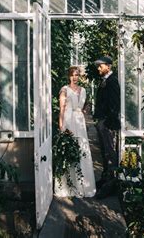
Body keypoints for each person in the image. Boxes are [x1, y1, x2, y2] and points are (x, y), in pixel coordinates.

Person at [54, 66, 96, 197]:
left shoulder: (83, 90)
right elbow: (61, 109)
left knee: (82, 150)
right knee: (68, 150)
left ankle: (83, 186)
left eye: (77, 75)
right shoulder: (64, 90)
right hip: (68, 120)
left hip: (80, 121)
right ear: (69, 76)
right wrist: (61, 126)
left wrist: (84, 112)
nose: (75, 77)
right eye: (73, 74)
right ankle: (68, 186)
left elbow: (83, 107)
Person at [93, 56, 121, 199]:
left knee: (110, 153)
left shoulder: (112, 81)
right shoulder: (105, 80)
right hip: (103, 121)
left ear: (108, 67)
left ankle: (110, 184)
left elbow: (115, 104)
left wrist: (108, 122)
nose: (98, 68)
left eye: (101, 66)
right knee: (105, 151)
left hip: (108, 123)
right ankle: (105, 179)